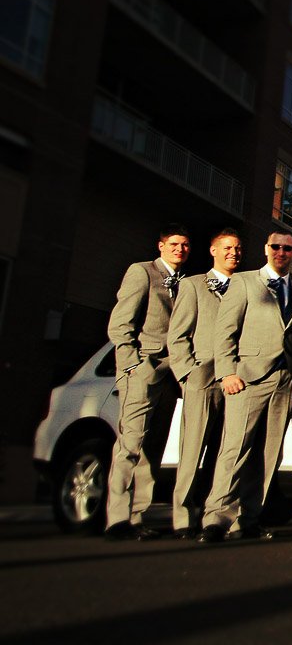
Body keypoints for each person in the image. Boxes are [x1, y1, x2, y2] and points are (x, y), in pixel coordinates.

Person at [198, 230, 292, 543]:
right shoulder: (243, 282)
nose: (281, 252)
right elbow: (224, 332)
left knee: (269, 454)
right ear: (266, 248)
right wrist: (227, 372)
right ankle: (216, 518)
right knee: (235, 449)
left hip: (283, 382)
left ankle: (249, 519)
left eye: (287, 248)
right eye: (276, 247)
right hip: (247, 379)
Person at [104, 223, 190, 540]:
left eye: (184, 245)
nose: (180, 249)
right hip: (144, 368)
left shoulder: (185, 283)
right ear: (161, 246)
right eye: (174, 244)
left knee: (153, 449)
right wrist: (132, 364)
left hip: (171, 373)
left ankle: (137, 516)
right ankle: (116, 519)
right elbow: (121, 323)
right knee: (130, 445)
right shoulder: (142, 272)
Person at [166, 227, 242, 539]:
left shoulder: (245, 286)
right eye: (226, 248)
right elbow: (178, 335)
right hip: (203, 380)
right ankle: (183, 517)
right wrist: (188, 375)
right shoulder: (194, 285)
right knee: (192, 451)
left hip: (235, 383)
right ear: (213, 250)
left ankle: (215, 517)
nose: (233, 253)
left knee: (226, 454)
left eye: (237, 249)